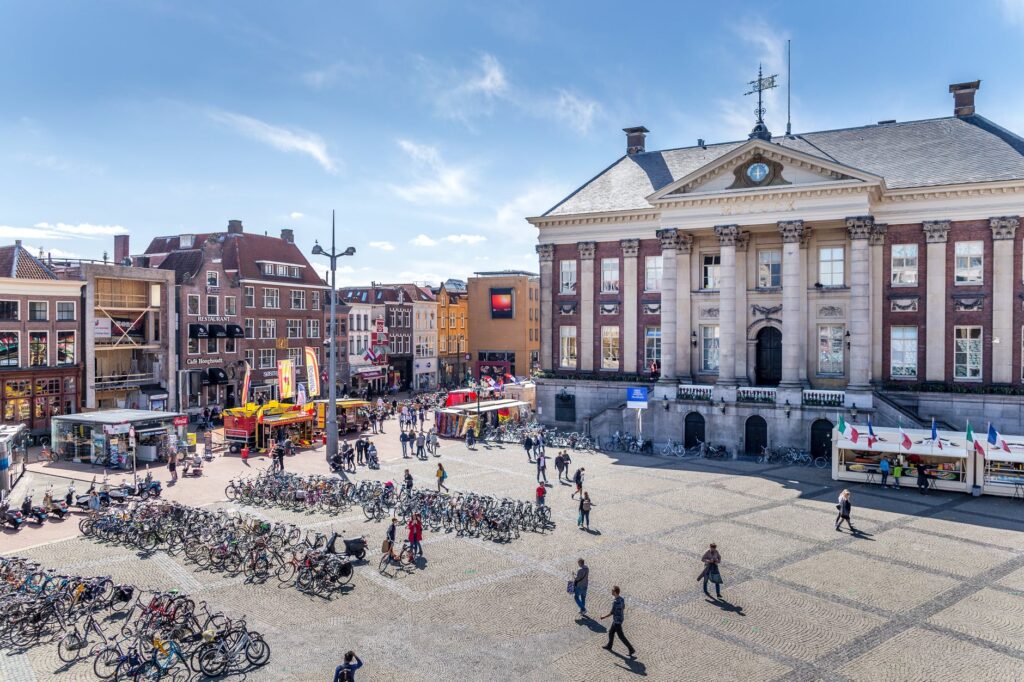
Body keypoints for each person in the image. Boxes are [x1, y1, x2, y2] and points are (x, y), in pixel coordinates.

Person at [600, 586, 635, 658]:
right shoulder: (621, 599)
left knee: (621, 636)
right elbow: (624, 607)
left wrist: (603, 617)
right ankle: (609, 645)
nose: (611, 592)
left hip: (617, 621)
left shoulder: (615, 602)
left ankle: (631, 649)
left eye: (612, 591)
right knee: (611, 632)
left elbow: (612, 612)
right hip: (620, 618)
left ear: (615, 592)